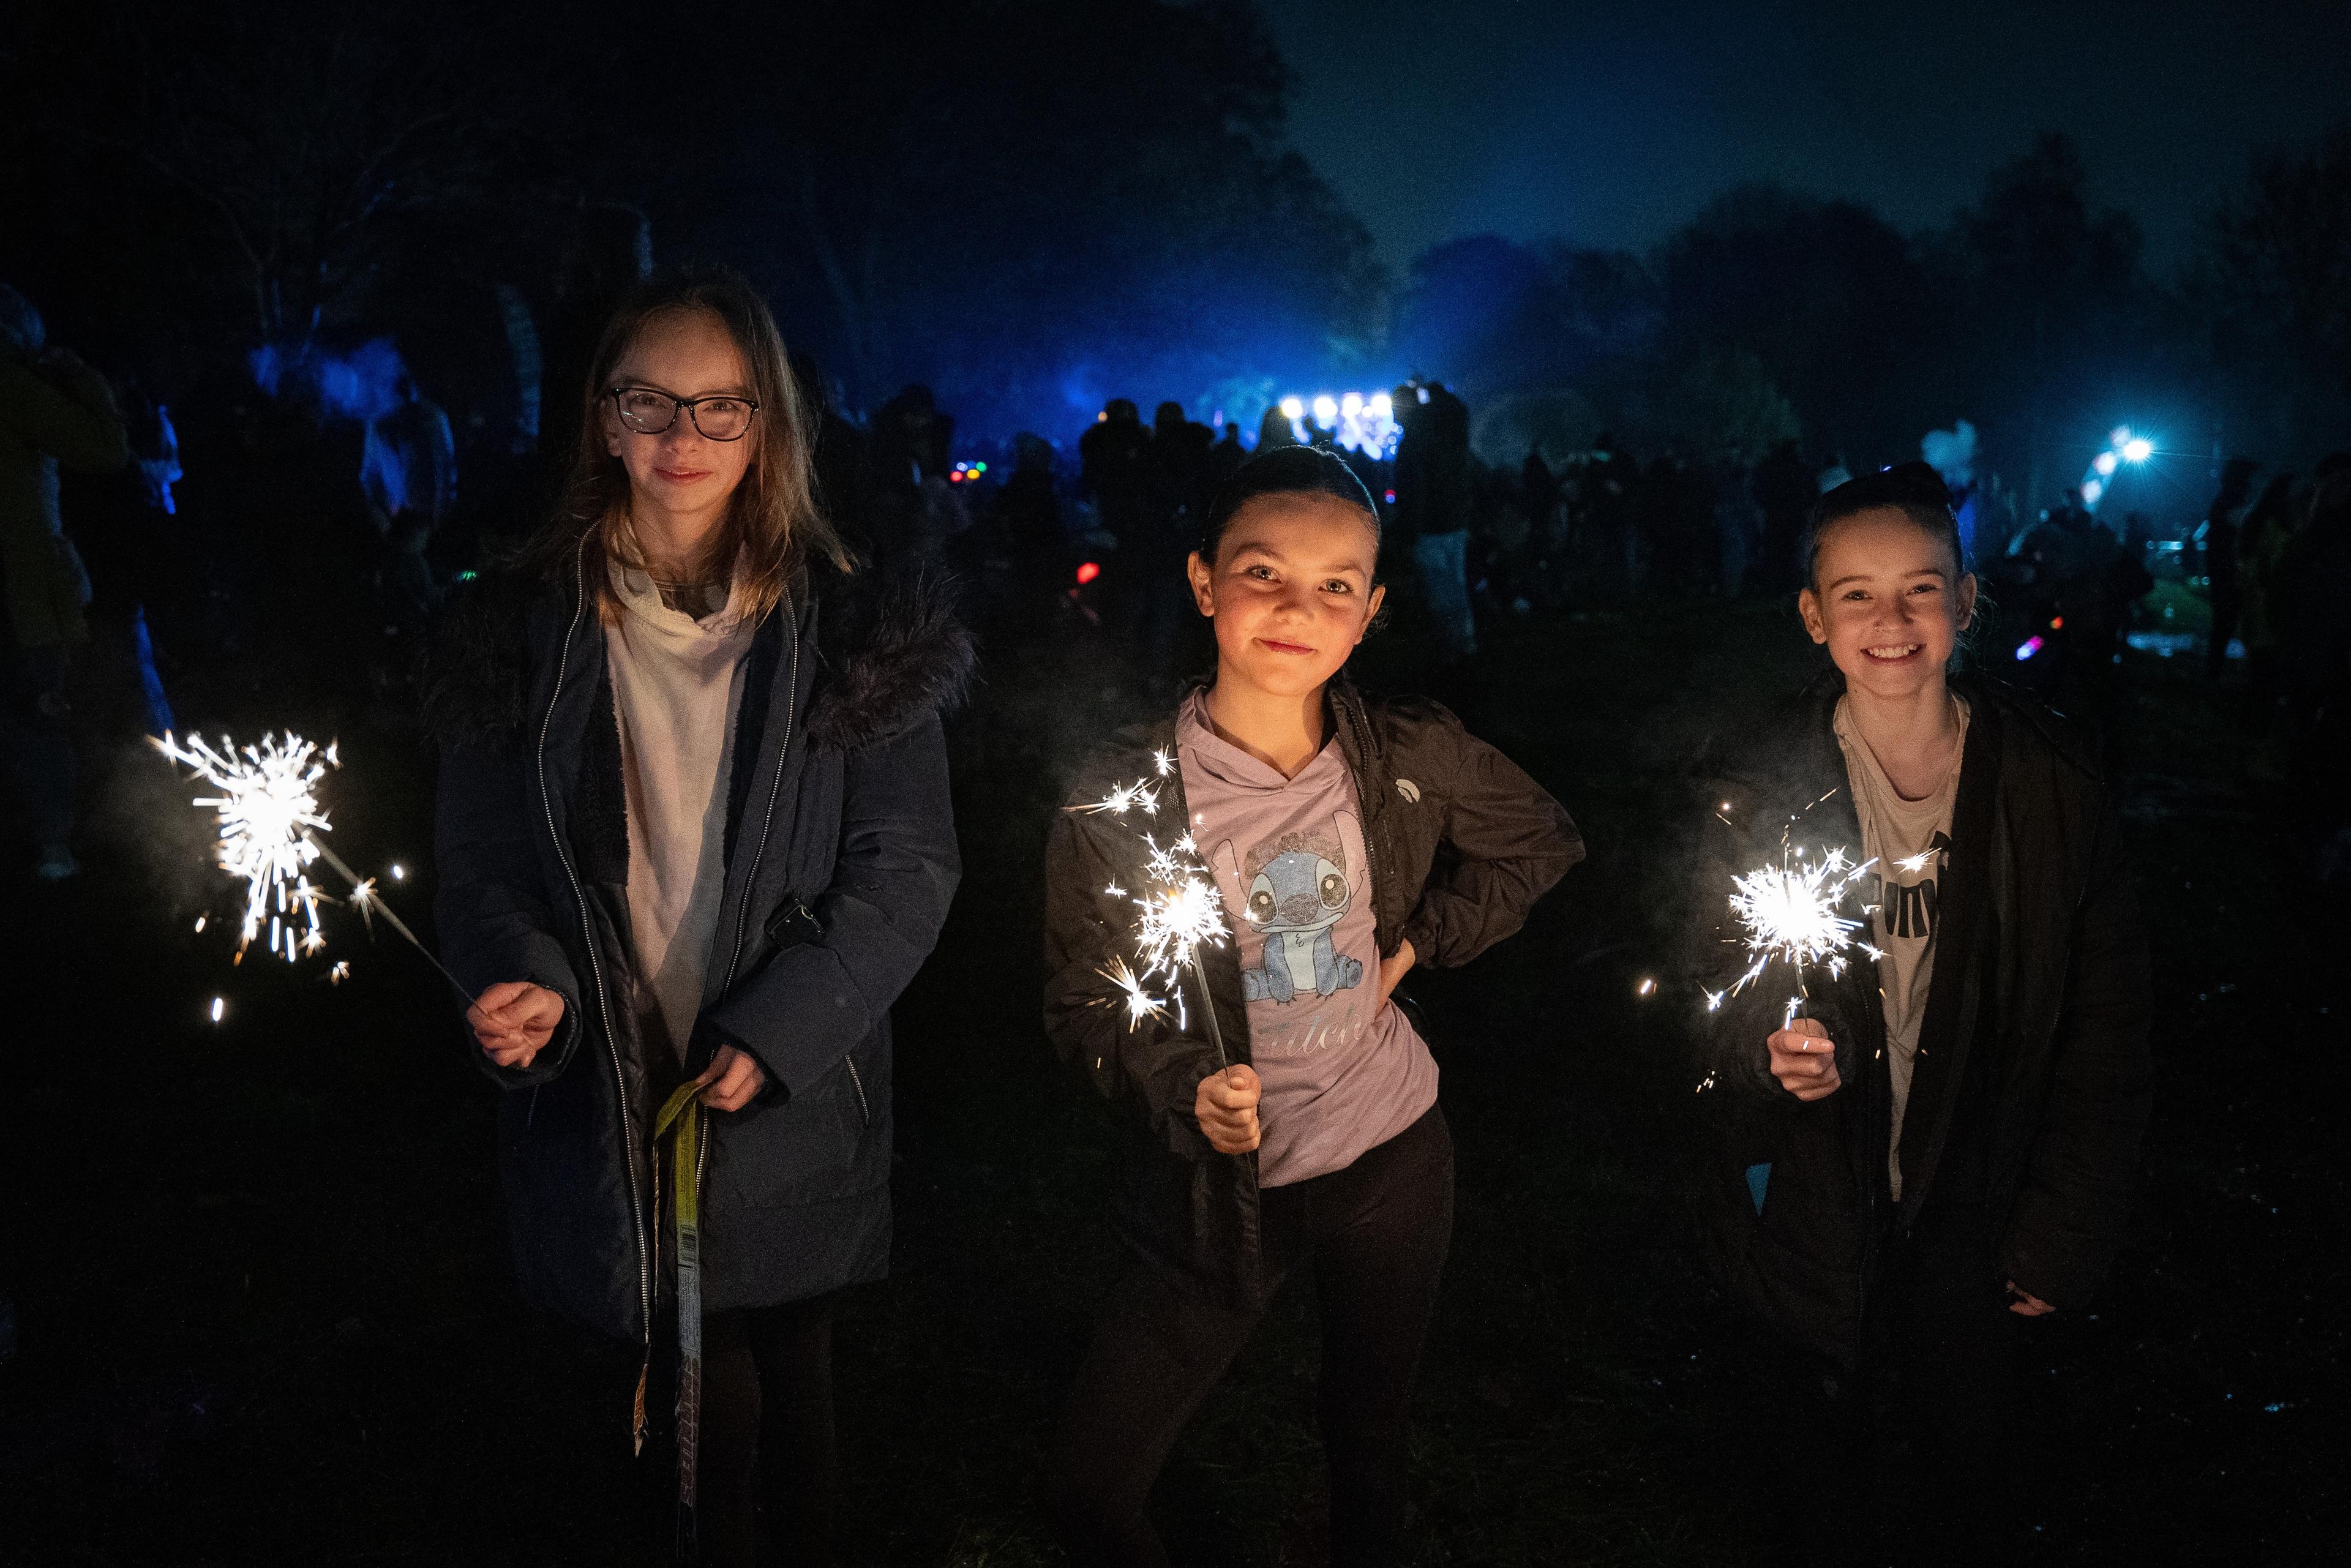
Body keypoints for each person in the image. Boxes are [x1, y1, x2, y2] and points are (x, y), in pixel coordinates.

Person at [427, 268, 970, 1566]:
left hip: (782, 1086)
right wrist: (526, 975)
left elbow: (905, 866)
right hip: (613, 1083)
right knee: (695, 1413)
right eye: (650, 402)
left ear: (768, 423)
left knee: (796, 1384)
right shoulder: (518, 632)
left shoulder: (851, 629)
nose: (685, 436)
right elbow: (482, 858)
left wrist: (784, 1029)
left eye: (721, 404)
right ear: (602, 419)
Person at [1043, 446, 1582, 1565]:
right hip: (1219, 1193)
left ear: (1372, 610)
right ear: (1203, 582)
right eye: (1263, 572)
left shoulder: (1407, 755)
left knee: (1368, 1437)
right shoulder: (1125, 796)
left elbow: (1541, 839)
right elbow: (1084, 996)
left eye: (1337, 584)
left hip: (1393, 1159)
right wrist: (1187, 1086)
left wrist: (1417, 944)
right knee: (1092, 1484)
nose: (1298, 608)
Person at [1685, 462, 2151, 1564]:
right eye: (1857, 594)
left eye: (1921, 590)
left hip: (1979, 1191)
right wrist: (1769, 1051)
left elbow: (2107, 1028)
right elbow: (1710, 975)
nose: (1890, 622)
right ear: (1814, 616)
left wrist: (2063, 1230)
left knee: (1967, 1468)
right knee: (1818, 1477)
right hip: (1814, 1197)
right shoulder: (1764, 784)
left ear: (1967, 600)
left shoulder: (2049, 786)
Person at [0, 282, 129, 881]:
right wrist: (82, 380)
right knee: (38, 714)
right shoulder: (13, 386)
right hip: (21, 588)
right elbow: (104, 448)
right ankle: (52, 848)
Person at [2200, 457, 2257, 677]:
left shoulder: (2225, 500)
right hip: (2226, 569)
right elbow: (2240, 528)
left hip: (2222, 568)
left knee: (2225, 621)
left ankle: (2214, 670)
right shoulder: (2229, 501)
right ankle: (2214, 671)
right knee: (2226, 620)